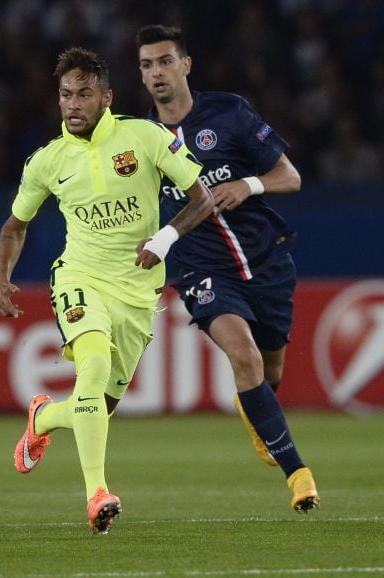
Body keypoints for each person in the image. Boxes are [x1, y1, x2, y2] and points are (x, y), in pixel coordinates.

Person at [0, 47, 214, 534]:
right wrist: (1, 275)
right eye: (66, 95)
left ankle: (45, 418)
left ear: (106, 98)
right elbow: (15, 225)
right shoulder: (47, 160)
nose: (73, 104)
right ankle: (97, 495)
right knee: (91, 369)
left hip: (137, 293)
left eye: (84, 94)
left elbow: (205, 198)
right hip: (79, 277)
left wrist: (165, 238)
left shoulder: (146, 137)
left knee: (100, 407)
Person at [135, 24, 320, 512]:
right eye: (146, 65)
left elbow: (290, 176)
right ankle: (299, 476)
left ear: (185, 65)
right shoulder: (140, 138)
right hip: (202, 268)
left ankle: (255, 406)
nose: (156, 72)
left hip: (266, 259)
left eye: (164, 61)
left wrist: (249, 186)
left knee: (270, 365)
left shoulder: (230, 112)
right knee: (246, 358)